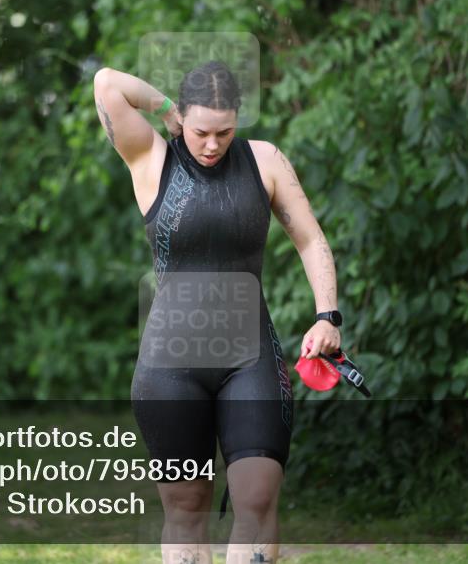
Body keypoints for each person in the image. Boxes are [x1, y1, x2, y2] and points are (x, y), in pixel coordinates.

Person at [93, 61, 342, 563]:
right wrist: (164, 108)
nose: (211, 144)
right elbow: (106, 83)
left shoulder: (264, 160)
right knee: (186, 508)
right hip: (171, 365)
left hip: (250, 358)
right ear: (183, 118)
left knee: (257, 496)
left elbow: (310, 238)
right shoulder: (151, 159)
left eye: (224, 132)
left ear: (238, 121)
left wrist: (327, 316)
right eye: (201, 131)